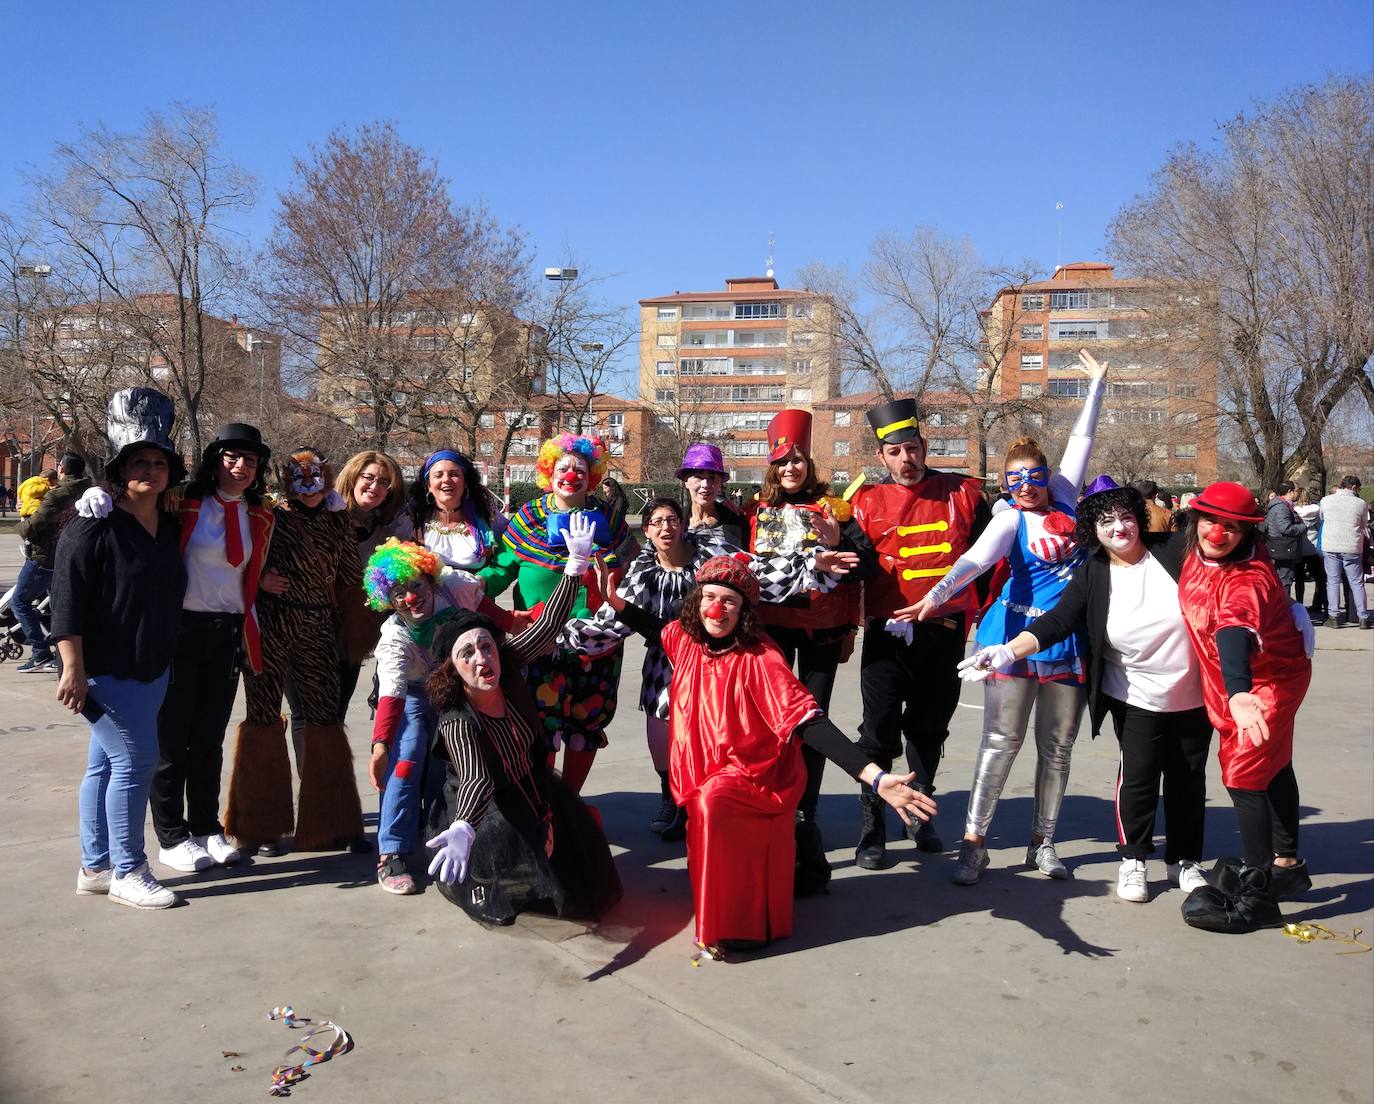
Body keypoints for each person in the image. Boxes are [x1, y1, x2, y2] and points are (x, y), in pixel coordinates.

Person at [601, 552, 936, 957]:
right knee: (706, 812)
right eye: (709, 597)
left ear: (743, 611)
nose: (716, 608)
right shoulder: (685, 641)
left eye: (729, 601)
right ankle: (740, 906)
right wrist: (617, 602)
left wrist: (876, 777)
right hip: (701, 770)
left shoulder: (761, 658)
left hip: (752, 775)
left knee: (712, 804)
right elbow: (655, 629)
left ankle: (734, 929)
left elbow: (808, 721)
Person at [898, 349, 1107, 884]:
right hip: (1011, 638)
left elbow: (1081, 444)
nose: (1026, 485)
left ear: (1046, 474)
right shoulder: (1011, 518)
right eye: (1015, 479)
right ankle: (974, 842)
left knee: (1056, 748)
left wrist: (1095, 388)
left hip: (1064, 643)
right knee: (1000, 742)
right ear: (1007, 485)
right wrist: (933, 598)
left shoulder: (1065, 498)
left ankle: (1044, 842)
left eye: (1034, 475)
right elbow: (973, 562)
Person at [961, 478, 1212, 902]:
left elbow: (1232, 564)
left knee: (1189, 777)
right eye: (1106, 521)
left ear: (1139, 518)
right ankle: (1133, 859)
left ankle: (1183, 860)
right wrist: (1007, 651)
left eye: (1126, 517)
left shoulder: (1173, 550)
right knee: (1138, 775)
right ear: (1091, 531)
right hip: (1136, 692)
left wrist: (1285, 607)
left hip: (1193, 688)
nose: (1119, 528)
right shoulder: (1093, 572)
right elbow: (1057, 620)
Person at [558, 495, 855, 849]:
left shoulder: (711, 557)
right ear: (647, 532)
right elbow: (615, 619)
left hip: (718, 663)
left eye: (672, 520)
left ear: (683, 525)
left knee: (716, 738)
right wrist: (556, 636)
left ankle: (715, 805)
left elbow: (757, 570)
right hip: (666, 662)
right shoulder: (643, 571)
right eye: (657, 523)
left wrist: (812, 562)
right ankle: (672, 799)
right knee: (663, 741)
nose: (666, 528)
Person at [424, 513, 622, 926]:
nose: (481, 658)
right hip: (486, 806)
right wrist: (464, 824)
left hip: (529, 783)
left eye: (485, 646)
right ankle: (497, 878)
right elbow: (477, 778)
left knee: (573, 841)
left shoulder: (508, 664)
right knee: (512, 845)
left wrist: (574, 567)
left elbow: (548, 626)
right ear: (453, 671)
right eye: (467, 654)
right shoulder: (459, 719)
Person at [51, 388, 188, 909]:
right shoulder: (94, 523)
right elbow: (67, 600)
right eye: (138, 461)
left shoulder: (168, 524)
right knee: (136, 763)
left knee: (106, 767)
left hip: (151, 667)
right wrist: (72, 668)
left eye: (158, 462)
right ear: (119, 467)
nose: (150, 470)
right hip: (106, 672)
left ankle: (95, 865)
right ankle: (129, 870)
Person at [845, 396, 991, 868]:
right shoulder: (861, 502)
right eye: (895, 452)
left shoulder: (965, 493)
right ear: (881, 457)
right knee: (879, 731)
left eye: (911, 448)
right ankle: (874, 827)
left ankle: (921, 814)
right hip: (886, 636)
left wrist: (981, 618)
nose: (905, 459)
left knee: (929, 728)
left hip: (944, 633)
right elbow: (854, 570)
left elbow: (992, 560)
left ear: (923, 446)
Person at [1176, 482, 1312, 933]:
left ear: (1247, 534)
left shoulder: (1246, 578)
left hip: (1264, 684)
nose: (1220, 533)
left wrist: (1237, 691)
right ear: (1196, 521)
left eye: (1234, 527)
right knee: (1275, 765)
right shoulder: (1192, 553)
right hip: (1235, 685)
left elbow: (1235, 627)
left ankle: (1257, 893)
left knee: (1244, 773)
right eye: (1212, 521)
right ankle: (1287, 864)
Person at [222, 447, 365, 855]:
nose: (307, 482)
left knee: (324, 720)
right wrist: (259, 579)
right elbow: (236, 558)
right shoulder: (270, 515)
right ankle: (261, 826)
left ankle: (331, 821)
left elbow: (351, 578)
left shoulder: (339, 520)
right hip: (272, 625)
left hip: (319, 627)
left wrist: (356, 627)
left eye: (315, 474)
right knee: (263, 717)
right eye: (298, 474)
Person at [745, 409, 865, 893]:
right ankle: (772, 805)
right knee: (772, 725)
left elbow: (859, 569)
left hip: (821, 633)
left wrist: (853, 626)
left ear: (808, 463)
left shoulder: (837, 509)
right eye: (782, 463)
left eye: (797, 460)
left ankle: (805, 814)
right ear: (772, 469)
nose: (790, 469)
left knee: (812, 723)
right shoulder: (752, 509)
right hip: (771, 632)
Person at [150, 425, 274, 873]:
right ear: (215, 458)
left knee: (208, 740)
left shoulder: (260, 514)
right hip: (179, 630)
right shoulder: (181, 500)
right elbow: (137, 502)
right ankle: (171, 834)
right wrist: (98, 496)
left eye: (251, 461)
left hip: (226, 634)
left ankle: (205, 827)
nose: (241, 467)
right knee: (171, 739)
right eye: (232, 457)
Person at [477, 433, 629, 793]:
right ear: (549, 472)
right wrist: (463, 584)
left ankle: (570, 804)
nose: (570, 476)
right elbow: (499, 572)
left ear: (592, 476)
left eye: (580, 469)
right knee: (539, 726)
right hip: (538, 644)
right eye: (562, 468)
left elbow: (631, 575)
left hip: (596, 648)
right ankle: (543, 802)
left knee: (586, 726)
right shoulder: (528, 517)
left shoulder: (609, 520)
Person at [363, 538, 502, 895]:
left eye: (415, 585)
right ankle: (391, 851)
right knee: (406, 760)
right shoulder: (395, 634)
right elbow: (391, 694)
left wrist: (516, 621)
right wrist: (381, 745)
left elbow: (484, 609)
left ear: (430, 580)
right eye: (397, 594)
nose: (410, 598)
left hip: (449, 689)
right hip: (410, 692)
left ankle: (442, 834)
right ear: (388, 601)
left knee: (450, 763)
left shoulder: (455, 589)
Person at [332, 449, 412, 718]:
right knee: (308, 718)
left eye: (384, 483)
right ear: (354, 477)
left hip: (350, 636)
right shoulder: (322, 515)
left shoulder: (385, 535)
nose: (375, 486)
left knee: (335, 714)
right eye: (369, 477)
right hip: (310, 630)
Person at [15, 454, 92, 672]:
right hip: (70, 557)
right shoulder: (86, 490)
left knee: (20, 602)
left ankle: (40, 652)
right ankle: (62, 650)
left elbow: (30, 528)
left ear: (61, 469)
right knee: (60, 606)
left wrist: (24, 518)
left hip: (45, 557)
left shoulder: (56, 495)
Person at [409, 449, 507, 572]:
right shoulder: (413, 521)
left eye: (453, 474)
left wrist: (483, 581)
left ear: (465, 482)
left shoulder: (489, 518)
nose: (446, 480)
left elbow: (505, 562)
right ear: (428, 485)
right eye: (438, 475)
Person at [1318, 475, 1370, 629]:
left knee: (1332, 581)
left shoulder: (1326, 500)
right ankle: (1363, 617)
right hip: (1352, 546)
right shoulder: (1361, 503)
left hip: (1331, 544)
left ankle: (1333, 616)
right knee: (1356, 582)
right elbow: (1364, 523)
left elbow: (1322, 517)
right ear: (1354, 487)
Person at [677, 442, 746, 549]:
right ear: (686, 482)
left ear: (720, 483)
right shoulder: (675, 522)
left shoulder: (737, 522)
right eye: (698, 477)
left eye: (712, 478)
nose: (705, 484)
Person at [1262, 481, 1307, 600]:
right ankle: (1283, 611)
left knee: (1282, 580)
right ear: (1290, 492)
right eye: (1297, 491)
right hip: (1284, 548)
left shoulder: (1280, 505)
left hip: (1281, 547)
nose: (1298, 494)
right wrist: (1302, 527)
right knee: (1284, 581)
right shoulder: (1282, 507)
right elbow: (1285, 528)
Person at [1292, 487, 1327, 623]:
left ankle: (1300, 605)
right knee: (1320, 579)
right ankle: (1322, 606)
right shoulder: (1316, 510)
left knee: (1299, 580)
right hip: (1313, 548)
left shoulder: (1293, 510)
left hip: (1299, 548)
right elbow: (1320, 526)